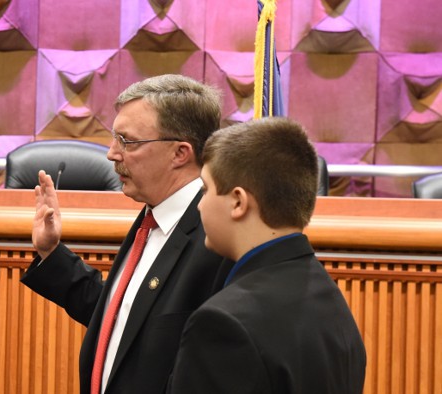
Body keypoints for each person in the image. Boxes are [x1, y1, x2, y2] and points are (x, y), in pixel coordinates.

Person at [21, 74, 229, 394]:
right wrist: (52, 253)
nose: (111, 154)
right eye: (114, 138)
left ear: (180, 153)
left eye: (127, 141)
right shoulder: (152, 216)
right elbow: (124, 320)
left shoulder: (217, 238)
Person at [168, 117, 366, 393]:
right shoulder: (330, 298)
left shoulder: (222, 323)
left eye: (205, 189)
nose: (200, 205)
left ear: (238, 201)